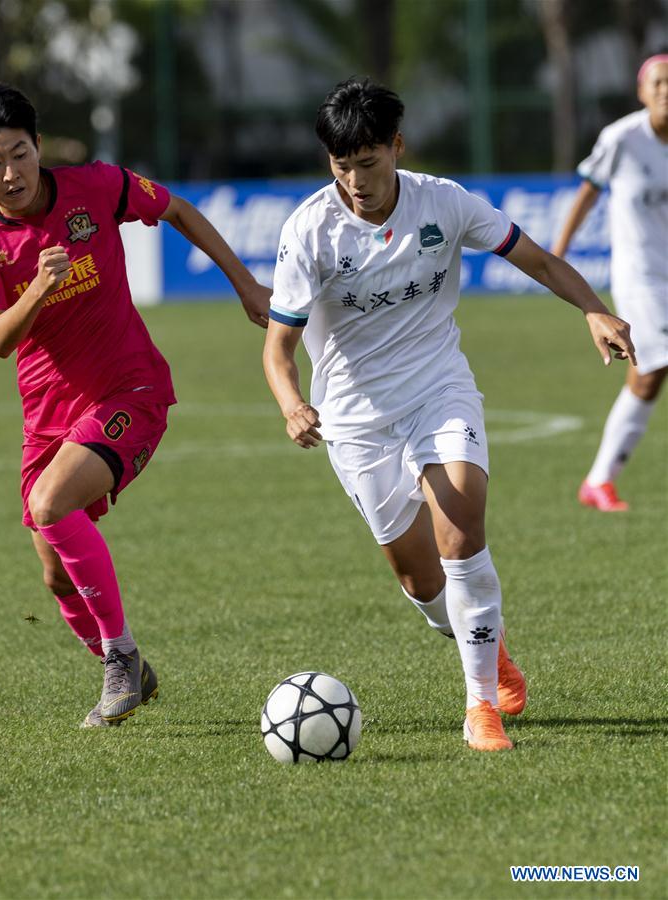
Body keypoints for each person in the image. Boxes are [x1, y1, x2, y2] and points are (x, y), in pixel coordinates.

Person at [262, 78, 635, 752]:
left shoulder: (445, 203)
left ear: (396, 148)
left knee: (460, 527)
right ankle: (487, 652)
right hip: (355, 420)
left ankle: (479, 708)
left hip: (439, 390)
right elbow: (277, 344)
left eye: (368, 163)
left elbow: (540, 260)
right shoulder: (310, 230)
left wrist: (592, 309)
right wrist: (292, 403)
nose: (355, 180)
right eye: (341, 166)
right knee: (419, 578)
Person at [0, 83, 270, 728]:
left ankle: (118, 662)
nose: (11, 174)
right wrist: (39, 285)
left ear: (39, 146)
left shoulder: (97, 186)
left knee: (50, 504)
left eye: (20, 153)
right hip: (46, 414)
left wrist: (245, 284)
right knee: (55, 577)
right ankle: (130, 668)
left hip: (132, 391)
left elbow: (176, 209)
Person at [552, 54, 668, 512]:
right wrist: (555, 256)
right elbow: (586, 194)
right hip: (640, 275)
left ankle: (598, 481)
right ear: (641, 92)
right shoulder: (622, 138)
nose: (666, 90)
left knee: (648, 377)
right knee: (654, 367)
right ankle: (599, 481)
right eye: (657, 82)